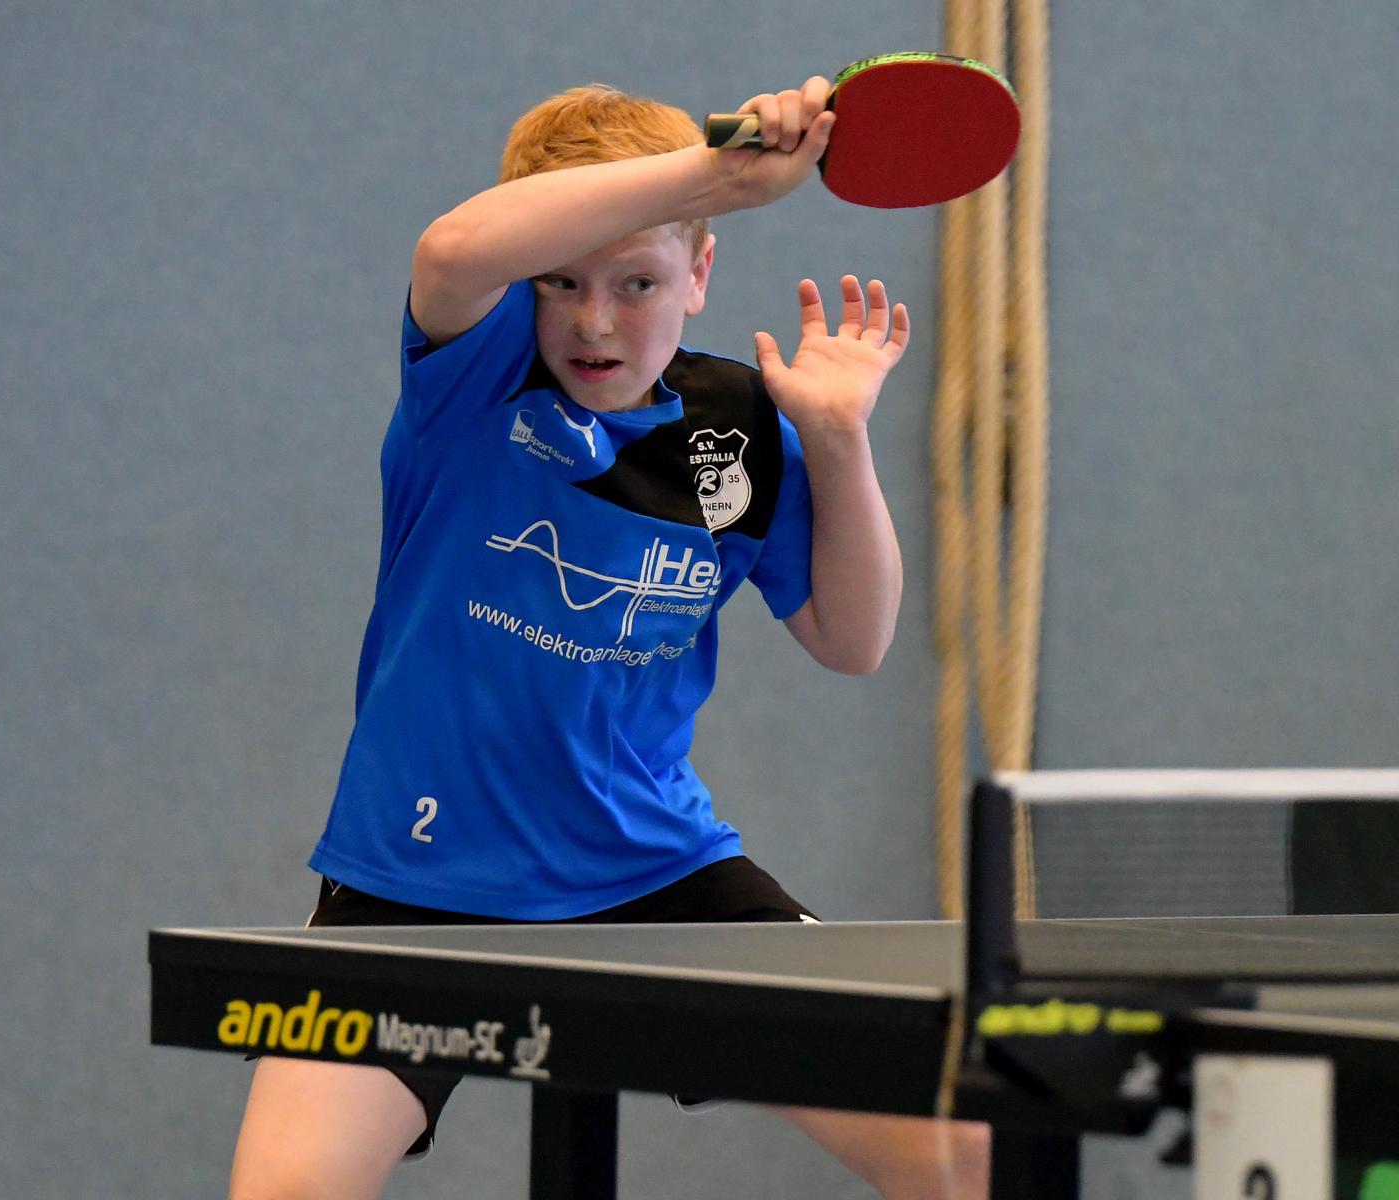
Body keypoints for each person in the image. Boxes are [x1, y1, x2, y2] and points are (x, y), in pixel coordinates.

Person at [227, 75, 990, 1199]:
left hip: (655, 871)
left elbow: (854, 638)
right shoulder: (475, 382)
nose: (595, 321)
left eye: (638, 283)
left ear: (701, 273)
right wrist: (715, 175)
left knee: (967, 1150)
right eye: (564, 282)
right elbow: (452, 249)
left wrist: (836, 438)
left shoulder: (739, 429)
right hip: (414, 884)